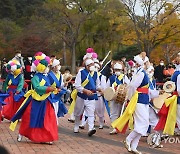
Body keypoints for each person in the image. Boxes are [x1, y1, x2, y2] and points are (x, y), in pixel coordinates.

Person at [10, 52, 58, 144]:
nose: (48, 68)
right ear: (41, 67)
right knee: (30, 118)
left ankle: (46, 137)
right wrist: (48, 88)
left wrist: (54, 88)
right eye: (46, 66)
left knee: (47, 119)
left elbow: (55, 83)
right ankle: (21, 133)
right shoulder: (35, 77)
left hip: (46, 100)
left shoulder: (48, 76)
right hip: (35, 101)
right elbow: (37, 87)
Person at [112, 54, 150, 154]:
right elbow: (133, 86)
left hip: (144, 99)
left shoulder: (141, 73)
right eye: (146, 62)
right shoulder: (141, 73)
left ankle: (134, 146)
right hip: (140, 100)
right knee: (142, 122)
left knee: (143, 123)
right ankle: (128, 140)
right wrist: (130, 97)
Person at [73, 58, 102, 136]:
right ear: (87, 66)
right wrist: (85, 90)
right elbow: (77, 85)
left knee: (91, 113)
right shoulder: (81, 73)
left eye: (93, 64)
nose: (92, 66)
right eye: (90, 65)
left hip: (91, 96)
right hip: (82, 96)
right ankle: (76, 126)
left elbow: (97, 85)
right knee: (78, 112)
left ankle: (91, 128)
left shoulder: (96, 74)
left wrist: (100, 89)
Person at [155, 55, 180, 136]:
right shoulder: (176, 71)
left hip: (177, 97)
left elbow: (177, 89)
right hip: (175, 96)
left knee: (176, 116)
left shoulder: (178, 73)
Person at [107, 62, 130, 134]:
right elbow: (107, 87)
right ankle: (114, 127)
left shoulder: (124, 77)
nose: (117, 71)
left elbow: (128, 86)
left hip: (121, 98)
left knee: (121, 112)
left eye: (118, 70)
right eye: (116, 69)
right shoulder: (111, 78)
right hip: (113, 98)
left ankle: (119, 126)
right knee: (113, 112)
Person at [48, 59, 67, 125]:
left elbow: (60, 84)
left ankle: (55, 122)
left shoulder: (60, 74)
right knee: (53, 109)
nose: (59, 66)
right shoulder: (49, 75)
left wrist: (64, 85)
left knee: (56, 108)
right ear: (54, 67)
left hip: (57, 95)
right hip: (51, 95)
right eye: (58, 65)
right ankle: (53, 122)